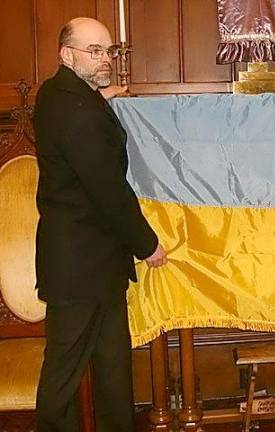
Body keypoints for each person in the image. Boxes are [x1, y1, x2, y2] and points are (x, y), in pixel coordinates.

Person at [34, 17, 167, 432]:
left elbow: (81, 119)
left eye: (107, 50)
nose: (105, 59)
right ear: (66, 54)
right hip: (79, 270)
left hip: (95, 266)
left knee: (113, 370)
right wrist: (148, 245)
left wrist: (103, 97)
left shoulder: (61, 94)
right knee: (63, 378)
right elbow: (108, 190)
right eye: (94, 51)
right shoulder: (75, 110)